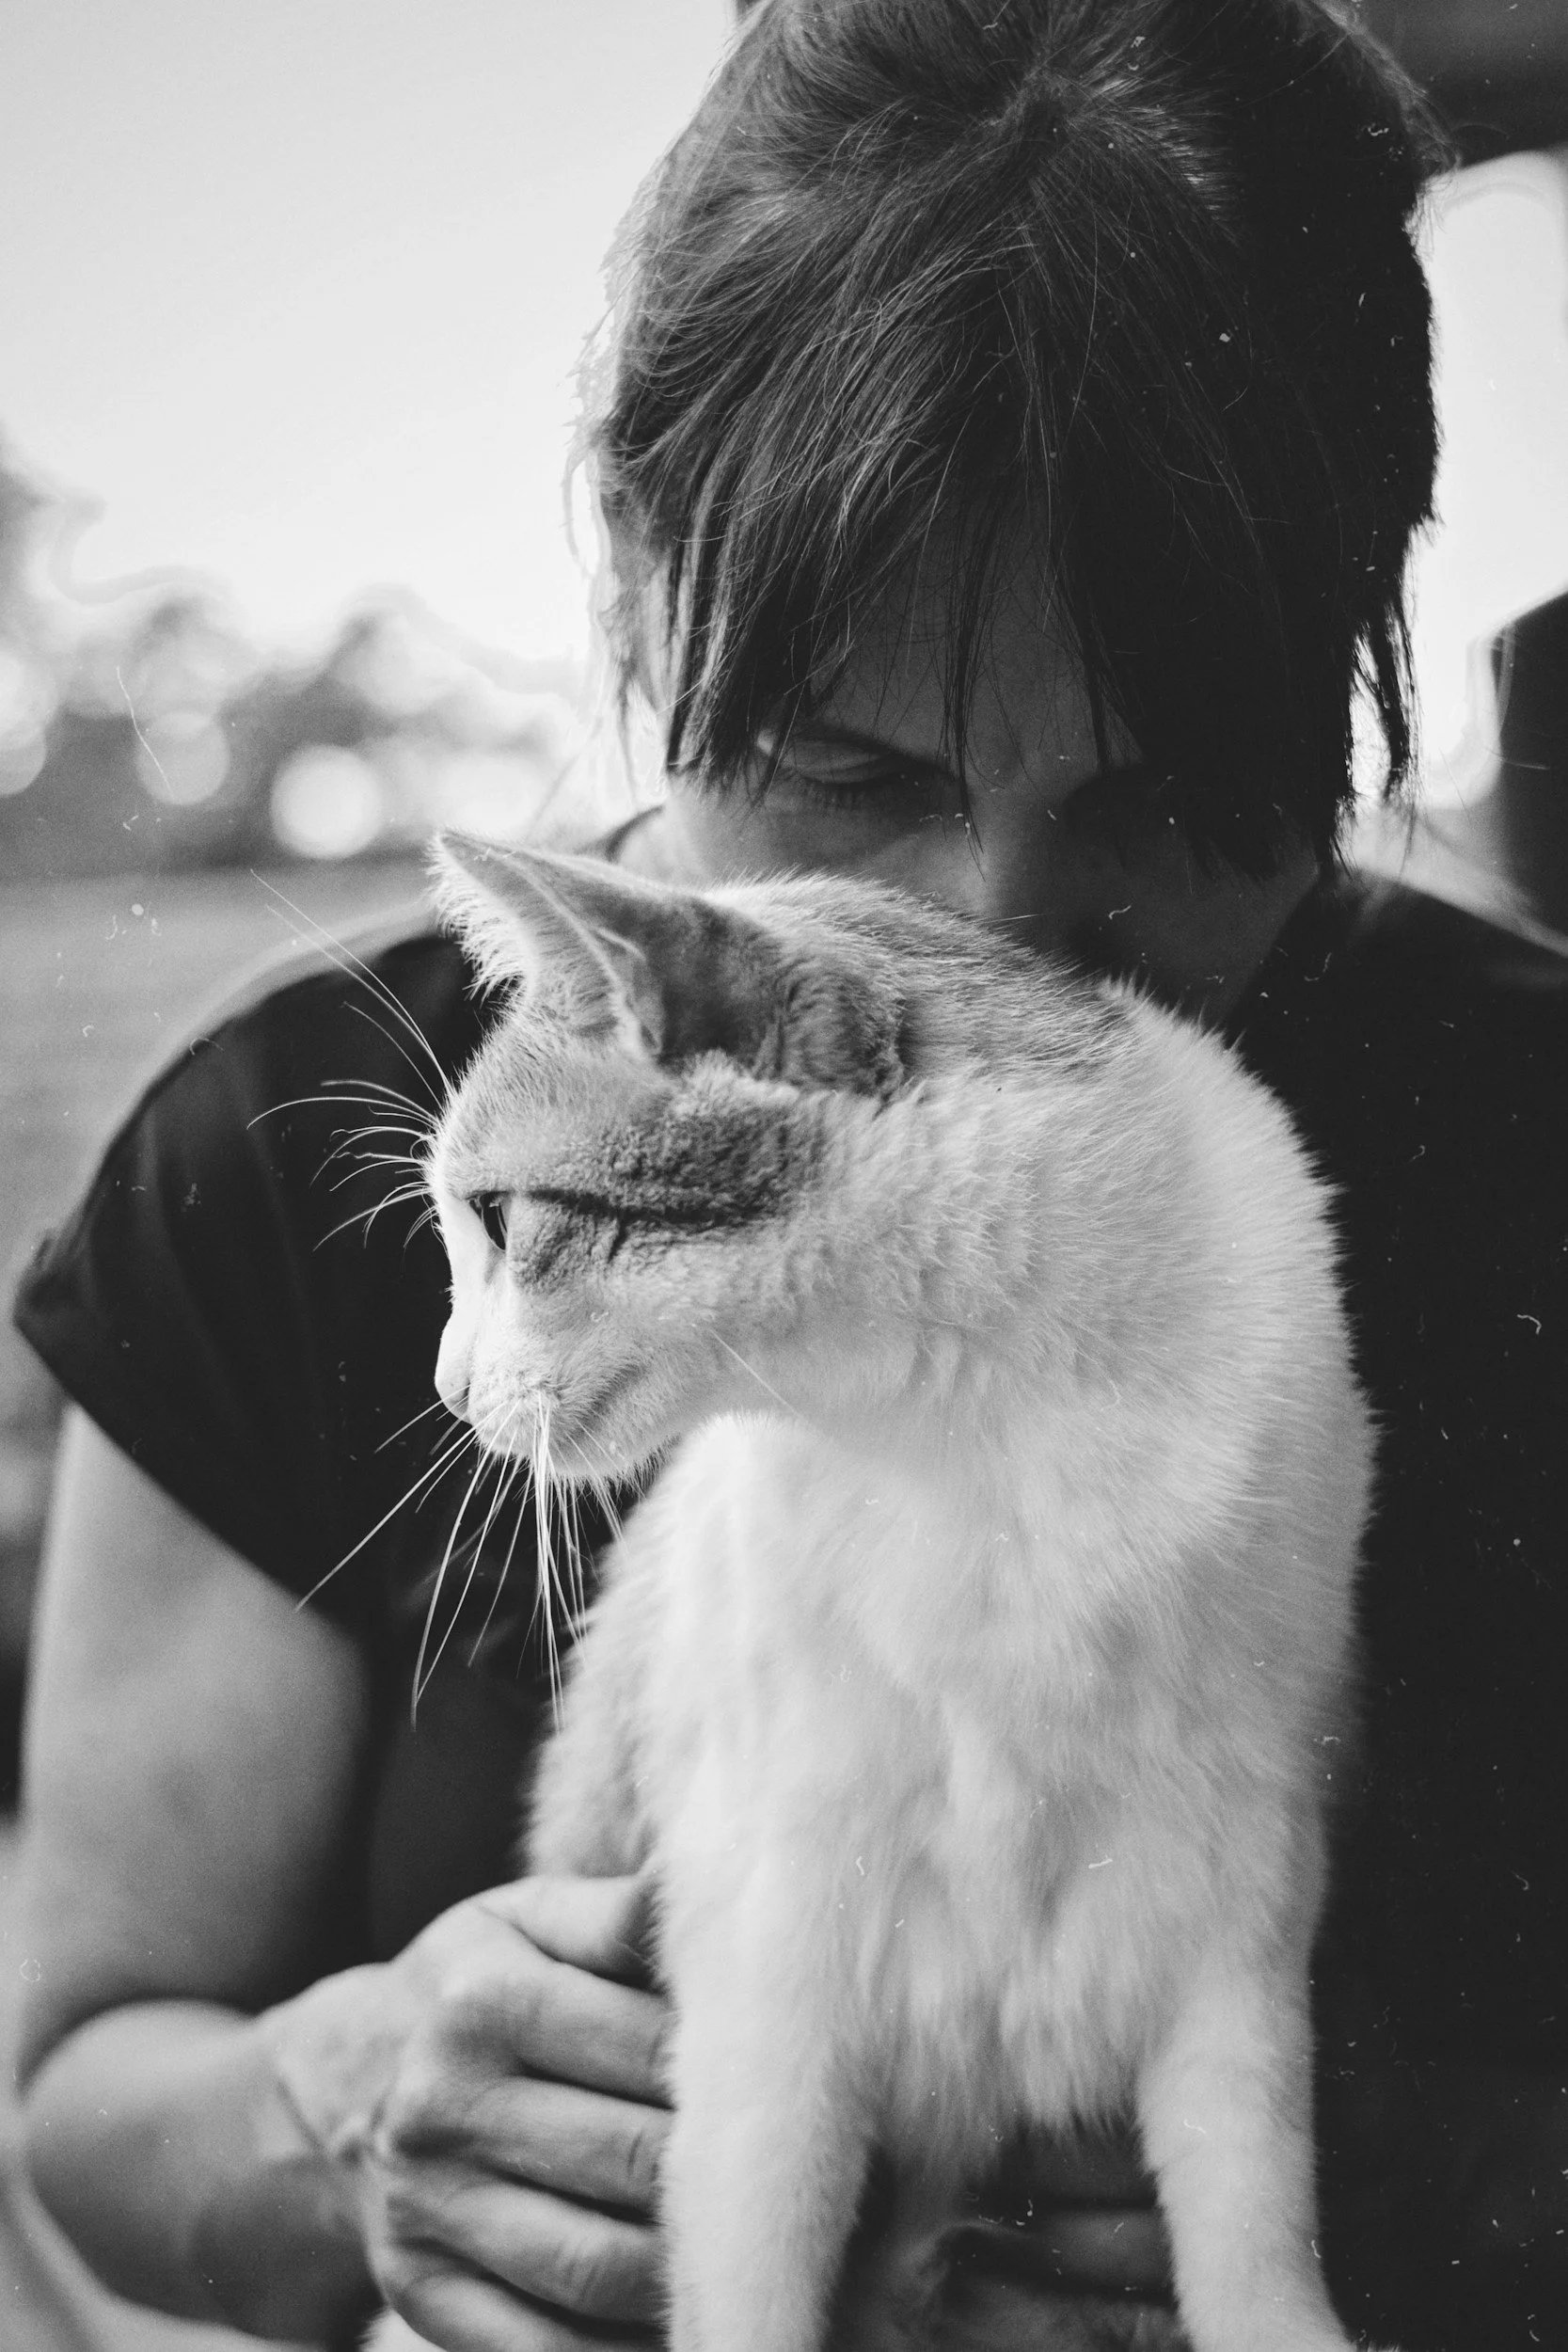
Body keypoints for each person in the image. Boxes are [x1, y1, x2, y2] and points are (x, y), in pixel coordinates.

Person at [11, 2, 1568, 2347]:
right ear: (638, 589)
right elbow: (78, 2091)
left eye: (1174, 801)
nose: (995, 923)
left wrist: (1454, 2198)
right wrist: (342, 2116)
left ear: (1360, 642)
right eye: (842, 772)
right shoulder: (290, 1148)